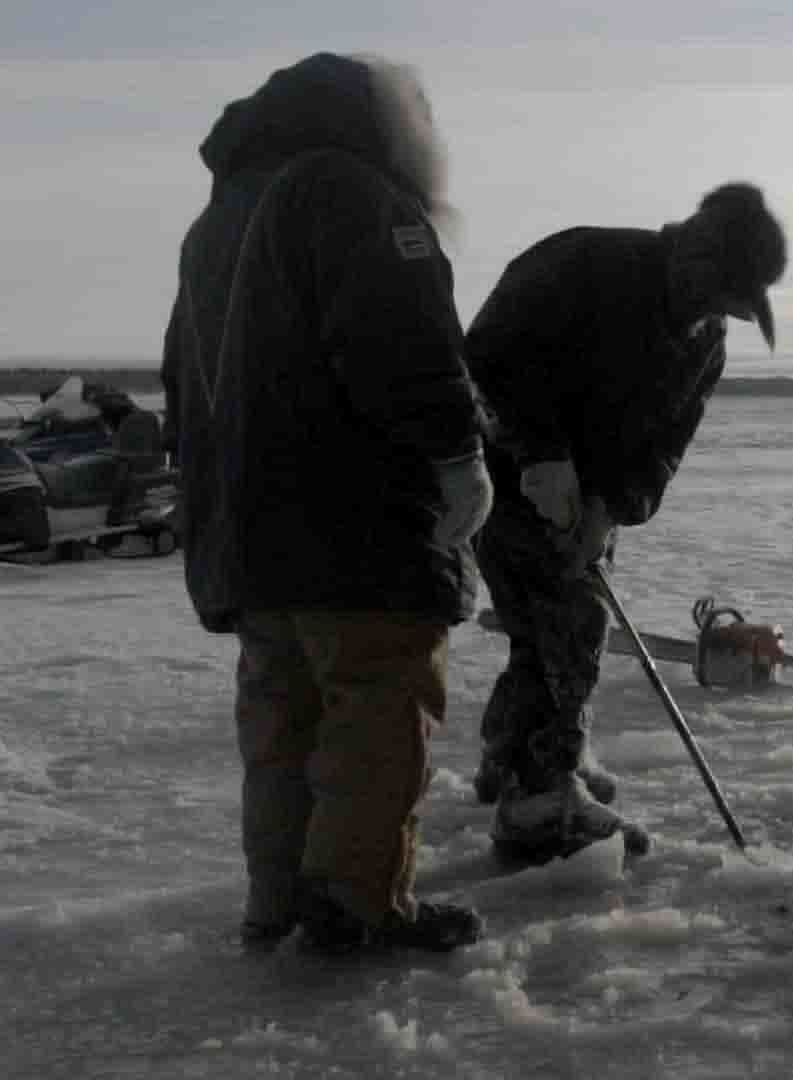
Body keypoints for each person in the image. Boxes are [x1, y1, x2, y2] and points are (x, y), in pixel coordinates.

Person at [160, 52, 492, 952]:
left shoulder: (220, 218)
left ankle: (278, 903)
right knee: (377, 708)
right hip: (355, 528)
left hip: (251, 537)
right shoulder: (352, 191)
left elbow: (182, 385)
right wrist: (457, 450)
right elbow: (399, 337)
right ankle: (355, 905)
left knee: (282, 723)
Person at [464, 183, 786, 863]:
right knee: (575, 626)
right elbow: (488, 362)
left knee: (543, 629)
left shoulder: (705, 341)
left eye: (730, 308)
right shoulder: (582, 265)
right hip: (504, 479)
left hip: (586, 504)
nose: (715, 316)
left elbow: (665, 444)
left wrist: (613, 505)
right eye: (718, 297)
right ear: (695, 258)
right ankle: (538, 806)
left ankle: (517, 762)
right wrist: (541, 456)